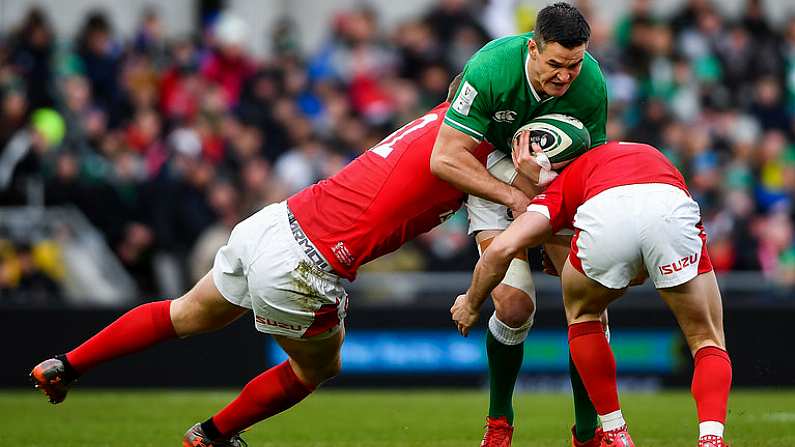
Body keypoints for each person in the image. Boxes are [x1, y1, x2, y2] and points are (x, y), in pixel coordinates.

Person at [29, 78, 542, 446]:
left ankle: (66, 365)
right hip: (306, 266)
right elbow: (496, 238)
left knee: (185, 313)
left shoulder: (433, 121)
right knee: (319, 366)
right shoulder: (472, 157)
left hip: (274, 222)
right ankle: (211, 435)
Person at [452, 140, 732, 447]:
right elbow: (650, 227)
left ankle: (614, 431)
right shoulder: (644, 151)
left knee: (584, 315)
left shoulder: (561, 186)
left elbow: (503, 248)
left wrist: (471, 302)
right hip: (668, 201)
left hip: (606, 210)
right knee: (706, 338)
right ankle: (711, 439)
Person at [430, 3, 607, 446]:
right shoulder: (490, 67)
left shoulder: (592, 83)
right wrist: (515, 197)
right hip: (493, 175)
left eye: (575, 64)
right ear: (533, 47)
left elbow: (590, 167)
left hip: (557, 183)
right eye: (555, 64)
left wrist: (552, 219)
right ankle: (499, 423)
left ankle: (587, 434)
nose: (566, 76)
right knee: (512, 307)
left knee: (588, 305)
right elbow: (445, 158)